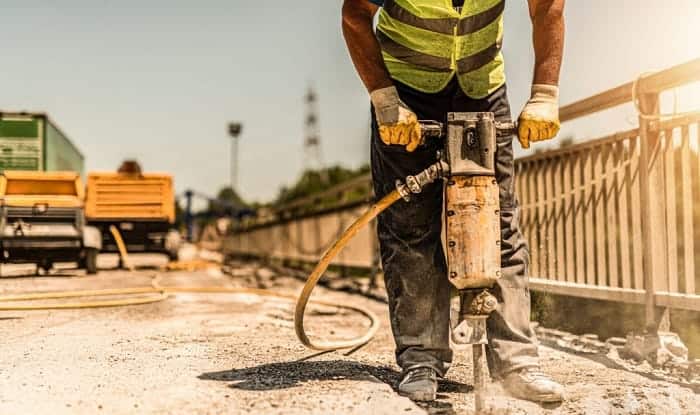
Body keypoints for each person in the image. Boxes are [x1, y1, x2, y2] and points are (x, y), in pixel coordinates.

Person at [341, 0, 566, 403]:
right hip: (406, 92)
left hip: (481, 89)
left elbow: (547, 7)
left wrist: (545, 93)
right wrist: (385, 101)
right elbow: (355, 14)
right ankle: (421, 359)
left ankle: (516, 362)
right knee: (410, 228)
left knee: (499, 223)